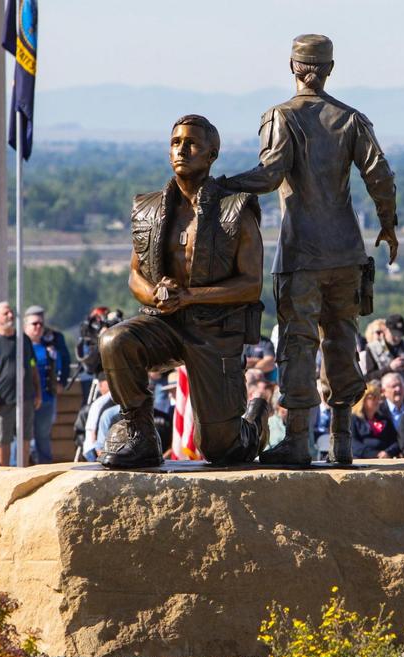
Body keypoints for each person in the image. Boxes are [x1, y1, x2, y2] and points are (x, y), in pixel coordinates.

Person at [216, 35, 398, 466]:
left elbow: (269, 173)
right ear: (329, 68)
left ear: (293, 67)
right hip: (347, 255)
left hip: (301, 256)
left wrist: (221, 185)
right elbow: (381, 176)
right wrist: (388, 224)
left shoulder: (281, 117)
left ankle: (297, 440)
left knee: (298, 346)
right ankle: (342, 442)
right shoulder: (351, 119)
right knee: (341, 340)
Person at [98, 114, 271, 467]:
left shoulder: (235, 209)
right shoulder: (148, 209)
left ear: (212, 154)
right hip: (164, 322)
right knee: (114, 341)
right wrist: (157, 295)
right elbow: (134, 275)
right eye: (176, 142)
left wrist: (191, 296)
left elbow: (251, 285)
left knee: (222, 451)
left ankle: (255, 421)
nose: (182, 150)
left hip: (214, 330)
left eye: (192, 144)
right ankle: (139, 431)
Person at [0, 302, 40, 466]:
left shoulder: (23, 339)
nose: (10, 316)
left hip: (25, 398)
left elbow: (32, 366)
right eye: (6, 313)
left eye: (11, 312)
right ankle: (4, 475)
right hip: (2, 400)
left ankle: (23, 472)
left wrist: (38, 392)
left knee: (25, 439)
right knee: (2, 441)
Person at [25, 306, 60, 463]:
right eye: (34, 324)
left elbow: (57, 368)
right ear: (26, 326)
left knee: (43, 437)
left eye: (40, 323)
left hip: (46, 399)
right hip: (26, 399)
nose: (38, 327)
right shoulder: (21, 348)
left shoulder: (49, 348)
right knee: (22, 438)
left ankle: (45, 468)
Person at [349, 381, 398, 458]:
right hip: (361, 459)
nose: (377, 401)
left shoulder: (385, 420)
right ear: (362, 400)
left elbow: (395, 441)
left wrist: (387, 452)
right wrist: (375, 454)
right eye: (373, 398)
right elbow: (353, 444)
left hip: (385, 459)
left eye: (378, 397)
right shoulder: (353, 420)